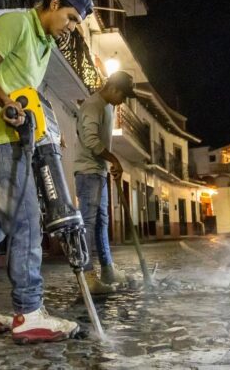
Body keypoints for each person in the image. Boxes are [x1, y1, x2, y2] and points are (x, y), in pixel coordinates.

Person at [0, 0, 93, 344]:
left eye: (76, 23)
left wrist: (48, 125)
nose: (71, 27)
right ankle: (30, 312)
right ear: (53, 2)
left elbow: (26, 88)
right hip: (0, 141)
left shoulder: (45, 43)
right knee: (27, 223)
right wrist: (6, 104)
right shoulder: (15, 23)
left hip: (4, 143)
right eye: (71, 18)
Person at [73, 71, 136, 294]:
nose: (123, 101)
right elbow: (89, 139)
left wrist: (108, 163)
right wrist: (113, 159)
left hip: (98, 171)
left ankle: (107, 269)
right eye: (123, 96)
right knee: (88, 223)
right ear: (114, 89)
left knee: (102, 221)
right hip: (88, 172)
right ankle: (87, 276)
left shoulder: (107, 106)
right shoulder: (93, 105)